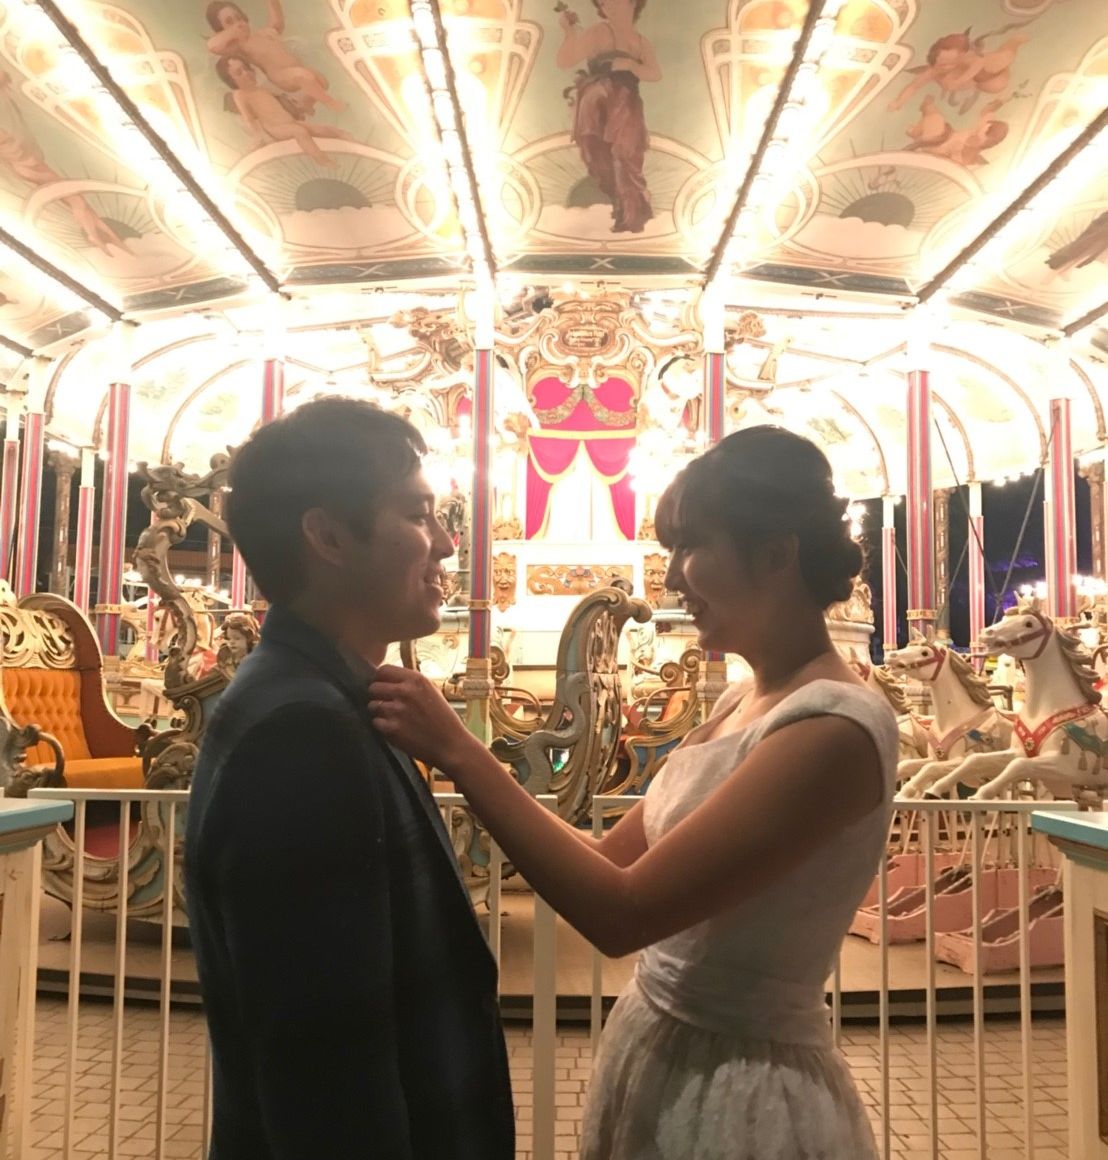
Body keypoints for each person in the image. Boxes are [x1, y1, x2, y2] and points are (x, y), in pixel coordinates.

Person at [369, 425, 899, 1159]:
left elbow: (622, 913)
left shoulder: (832, 726)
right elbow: (607, 862)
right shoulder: (740, 702)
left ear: (777, 553)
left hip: (741, 1078)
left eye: (691, 545)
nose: (672, 576)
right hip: (662, 1040)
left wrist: (462, 753)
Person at [184, 397, 514, 1159]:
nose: (447, 545)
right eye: (419, 515)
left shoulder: (335, 696)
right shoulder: (303, 730)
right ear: (328, 536)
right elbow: (326, 1060)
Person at [556, 0, 661, 233]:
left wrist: (630, 65)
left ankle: (633, 212)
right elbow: (565, 61)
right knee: (595, 154)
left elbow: (654, 73)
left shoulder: (641, 42)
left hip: (624, 105)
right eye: (603, 3)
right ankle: (618, 201)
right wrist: (569, 33)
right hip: (594, 104)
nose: (608, 6)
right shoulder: (599, 32)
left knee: (626, 155)